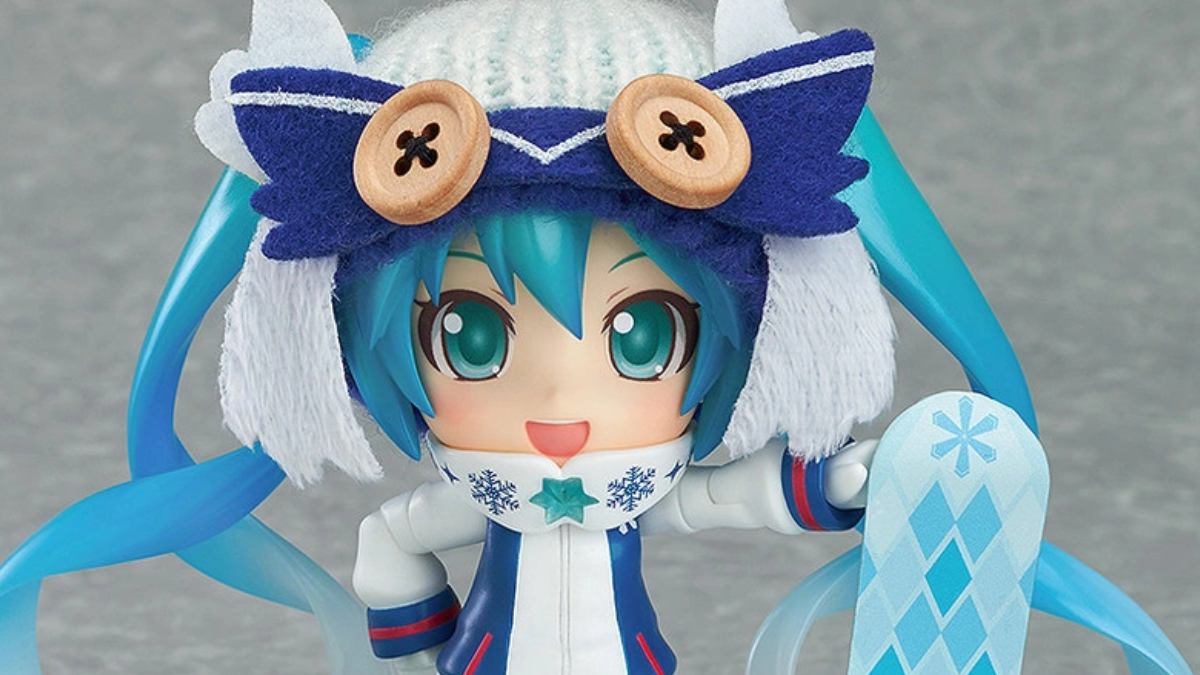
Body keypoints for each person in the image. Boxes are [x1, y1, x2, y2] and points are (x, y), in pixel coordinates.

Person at [0, 0, 1189, 674]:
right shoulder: (469, 499)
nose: (559, 410)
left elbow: (728, 500)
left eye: (639, 338)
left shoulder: (634, 491)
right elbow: (395, 545)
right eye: (472, 339)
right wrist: (401, 620)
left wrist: (852, 485)